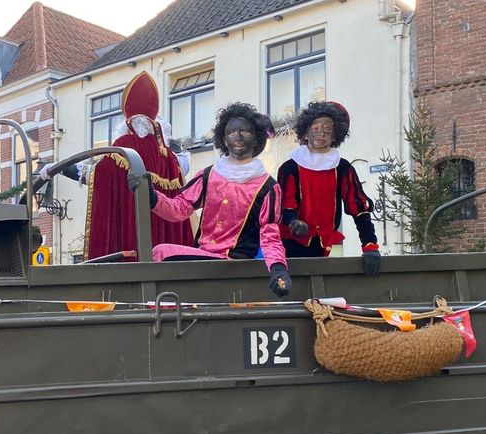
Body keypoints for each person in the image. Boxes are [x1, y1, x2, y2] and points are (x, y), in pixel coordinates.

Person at [145, 102, 291, 298]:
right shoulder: (208, 175)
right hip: (203, 256)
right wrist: (152, 196)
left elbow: (270, 235)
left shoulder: (268, 186)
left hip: (235, 264)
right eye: (231, 132)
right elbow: (179, 209)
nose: (237, 136)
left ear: (256, 139)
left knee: (161, 253)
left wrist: (278, 268)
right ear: (224, 138)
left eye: (245, 131)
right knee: (160, 251)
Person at [84, 72, 193, 261]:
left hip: (132, 263)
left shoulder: (119, 151)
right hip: (169, 264)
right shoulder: (170, 159)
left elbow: (96, 180)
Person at [277, 101, 381, 276]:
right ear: (306, 133)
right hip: (290, 244)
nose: (322, 134)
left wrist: (370, 245)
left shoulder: (342, 168)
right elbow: (285, 206)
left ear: (335, 136)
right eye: (316, 128)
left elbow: (358, 208)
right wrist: (294, 222)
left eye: (328, 130)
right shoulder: (290, 167)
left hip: (323, 244)